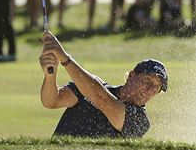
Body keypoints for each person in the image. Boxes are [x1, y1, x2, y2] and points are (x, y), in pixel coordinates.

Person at [39, 31, 168, 138]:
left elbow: (100, 98)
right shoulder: (89, 86)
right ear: (132, 75)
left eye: (156, 88)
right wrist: (50, 76)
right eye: (146, 80)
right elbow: (51, 101)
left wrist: (64, 58)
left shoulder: (140, 121)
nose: (149, 89)